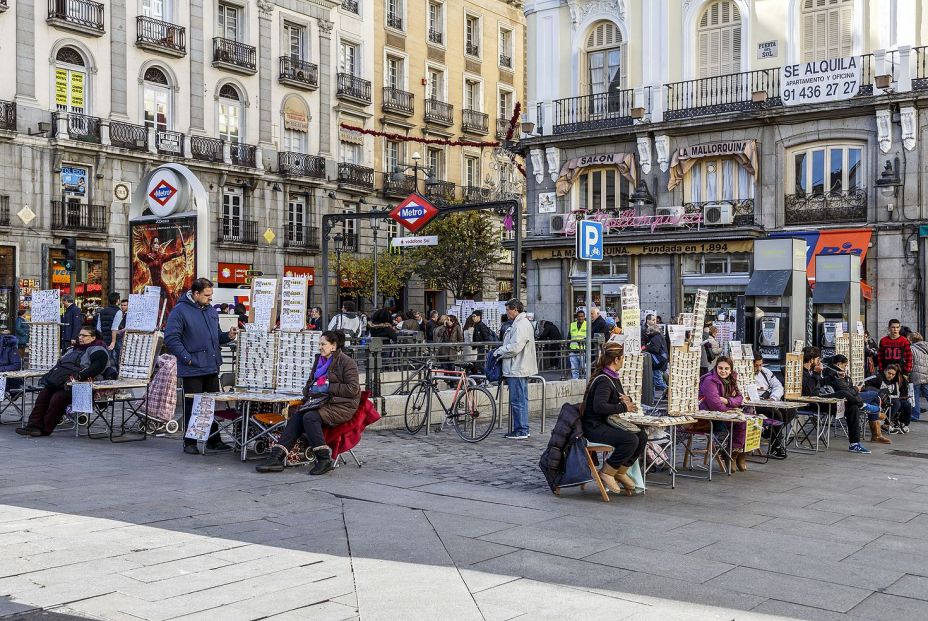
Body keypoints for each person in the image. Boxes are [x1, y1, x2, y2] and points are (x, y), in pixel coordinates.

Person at [256, 331, 360, 475]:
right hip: (320, 402)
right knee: (298, 416)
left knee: (309, 417)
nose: (320, 347)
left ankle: (324, 460)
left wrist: (328, 387)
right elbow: (310, 384)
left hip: (341, 405)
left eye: (323, 344)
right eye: (319, 344)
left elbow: (353, 389)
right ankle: (276, 457)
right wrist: (310, 390)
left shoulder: (347, 362)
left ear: (334, 346)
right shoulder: (319, 361)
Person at [164, 278, 239, 455]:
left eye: (211, 295)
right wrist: (187, 358)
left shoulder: (211, 310)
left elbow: (216, 336)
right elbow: (171, 338)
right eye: (207, 295)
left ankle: (213, 439)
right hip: (193, 367)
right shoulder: (180, 311)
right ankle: (189, 442)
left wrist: (228, 336)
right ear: (196, 293)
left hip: (211, 365)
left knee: (211, 405)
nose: (210, 298)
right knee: (193, 405)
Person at [16, 328, 111, 437]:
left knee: (58, 398)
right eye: (80, 335)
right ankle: (33, 426)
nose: (80, 337)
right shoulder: (73, 349)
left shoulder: (98, 349)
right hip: (62, 381)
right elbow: (60, 364)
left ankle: (45, 429)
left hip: (81, 385)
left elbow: (97, 367)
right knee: (43, 396)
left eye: (84, 335)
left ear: (93, 337)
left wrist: (80, 376)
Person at [580, 342, 647, 495]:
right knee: (630, 439)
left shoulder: (612, 377)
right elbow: (599, 407)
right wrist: (624, 407)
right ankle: (607, 472)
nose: (623, 360)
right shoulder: (604, 380)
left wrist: (626, 400)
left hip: (606, 423)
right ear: (616, 359)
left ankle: (620, 471)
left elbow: (618, 396)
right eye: (622, 358)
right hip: (594, 427)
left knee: (641, 436)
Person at [803, 346, 869, 454]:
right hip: (811, 402)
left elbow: (821, 383)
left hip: (820, 399)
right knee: (843, 393)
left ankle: (854, 444)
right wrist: (815, 373)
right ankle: (861, 404)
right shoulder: (803, 371)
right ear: (811, 360)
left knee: (852, 408)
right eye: (817, 359)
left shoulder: (812, 371)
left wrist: (835, 376)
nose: (819, 362)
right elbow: (808, 391)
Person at [494, 299, 537, 439]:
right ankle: (522, 428)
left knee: (518, 400)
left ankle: (521, 430)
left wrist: (499, 351)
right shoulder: (520, 323)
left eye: (508, 310)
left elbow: (514, 347)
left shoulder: (520, 325)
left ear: (515, 309)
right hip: (518, 367)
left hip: (517, 367)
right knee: (520, 400)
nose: (507, 313)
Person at [824, 354, 888, 445]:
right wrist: (856, 389)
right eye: (845, 365)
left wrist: (855, 387)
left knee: (874, 399)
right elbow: (845, 391)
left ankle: (876, 428)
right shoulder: (834, 373)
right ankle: (876, 429)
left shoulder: (837, 372)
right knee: (874, 395)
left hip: (851, 395)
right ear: (838, 364)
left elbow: (847, 388)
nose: (846, 367)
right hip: (847, 398)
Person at [699, 356, 748, 471]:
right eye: (720, 368)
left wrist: (727, 401)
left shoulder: (732, 379)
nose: (723, 371)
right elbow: (716, 405)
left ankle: (737, 454)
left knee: (750, 422)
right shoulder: (709, 381)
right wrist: (732, 405)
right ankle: (730, 454)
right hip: (709, 416)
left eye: (726, 368)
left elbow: (740, 398)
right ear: (716, 368)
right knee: (741, 423)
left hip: (723, 412)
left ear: (731, 370)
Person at [137, 227, 187, 310]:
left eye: (157, 243)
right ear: (152, 245)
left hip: (160, 282)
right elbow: (139, 254)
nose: (156, 245)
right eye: (155, 243)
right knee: (154, 303)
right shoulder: (148, 257)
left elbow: (170, 256)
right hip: (152, 284)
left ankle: (171, 313)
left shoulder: (161, 257)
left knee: (169, 298)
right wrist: (149, 255)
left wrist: (181, 253)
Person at [866, 363, 912, 434]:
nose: (890, 375)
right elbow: (866, 385)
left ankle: (903, 423)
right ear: (885, 371)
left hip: (892, 399)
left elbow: (896, 393)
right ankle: (886, 424)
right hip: (880, 401)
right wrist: (879, 392)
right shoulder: (878, 377)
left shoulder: (896, 380)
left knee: (907, 404)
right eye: (889, 373)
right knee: (896, 403)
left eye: (893, 374)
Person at [908, 331, 928, 422]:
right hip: (926, 375)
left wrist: (908, 375)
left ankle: (915, 416)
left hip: (915, 375)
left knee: (915, 396)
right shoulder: (926, 346)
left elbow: (910, 363)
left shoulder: (911, 348)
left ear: (912, 339)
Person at [645, 324, 668, 395]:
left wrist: (647, 347)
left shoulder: (655, 338)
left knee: (658, 383)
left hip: (658, 363)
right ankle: (652, 399)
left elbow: (655, 349)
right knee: (654, 382)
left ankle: (670, 390)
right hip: (661, 362)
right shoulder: (659, 336)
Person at [568, 309, 588, 380]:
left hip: (583, 350)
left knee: (585, 369)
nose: (580, 318)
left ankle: (586, 383)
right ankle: (575, 383)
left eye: (582, 316)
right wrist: (568, 349)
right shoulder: (572, 325)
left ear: (584, 317)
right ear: (576, 317)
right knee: (574, 370)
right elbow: (569, 337)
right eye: (579, 316)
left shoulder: (588, 325)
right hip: (573, 351)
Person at [109, 299, 129, 364]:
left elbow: (128, 327)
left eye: (125, 305)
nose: (123, 306)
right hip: (118, 337)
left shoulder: (129, 315)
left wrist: (120, 331)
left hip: (124, 338)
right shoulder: (120, 313)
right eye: (122, 305)